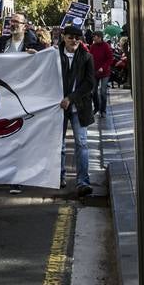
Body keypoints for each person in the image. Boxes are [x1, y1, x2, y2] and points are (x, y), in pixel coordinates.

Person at [57, 25, 95, 198]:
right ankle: (59, 177)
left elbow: (89, 83)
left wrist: (70, 98)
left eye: (77, 38)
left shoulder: (87, 57)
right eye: (71, 37)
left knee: (82, 143)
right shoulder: (54, 55)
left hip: (78, 107)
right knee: (60, 145)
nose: (74, 41)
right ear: (63, 37)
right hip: (58, 107)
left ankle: (83, 181)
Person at [86, 31, 114, 117]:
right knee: (93, 91)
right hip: (95, 72)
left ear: (99, 37)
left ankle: (103, 110)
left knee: (103, 92)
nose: (93, 38)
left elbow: (110, 59)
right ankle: (97, 107)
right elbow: (90, 56)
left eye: (94, 37)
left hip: (104, 72)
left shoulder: (106, 46)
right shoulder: (93, 46)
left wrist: (103, 67)